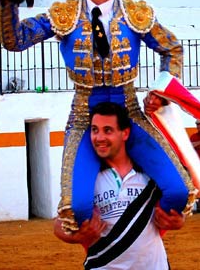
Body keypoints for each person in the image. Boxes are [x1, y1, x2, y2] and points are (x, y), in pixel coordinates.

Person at [0, 0, 200, 233]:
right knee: (77, 208)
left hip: (129, 111)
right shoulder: (65, 14)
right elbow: (14, 40)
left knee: (178, 192)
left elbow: (171, 48)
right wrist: (8, 0)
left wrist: (162, 93)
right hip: (85, 116)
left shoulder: (136, 14)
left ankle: (139, 237)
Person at [54, 101, 186, 269]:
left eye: (107, 130)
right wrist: (77, 236)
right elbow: (58, 225)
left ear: (125, 133)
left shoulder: (150, 173)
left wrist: (178, 221)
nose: (99, 138)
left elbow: (172, 214)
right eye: (95, 130)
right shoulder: (88, 178)